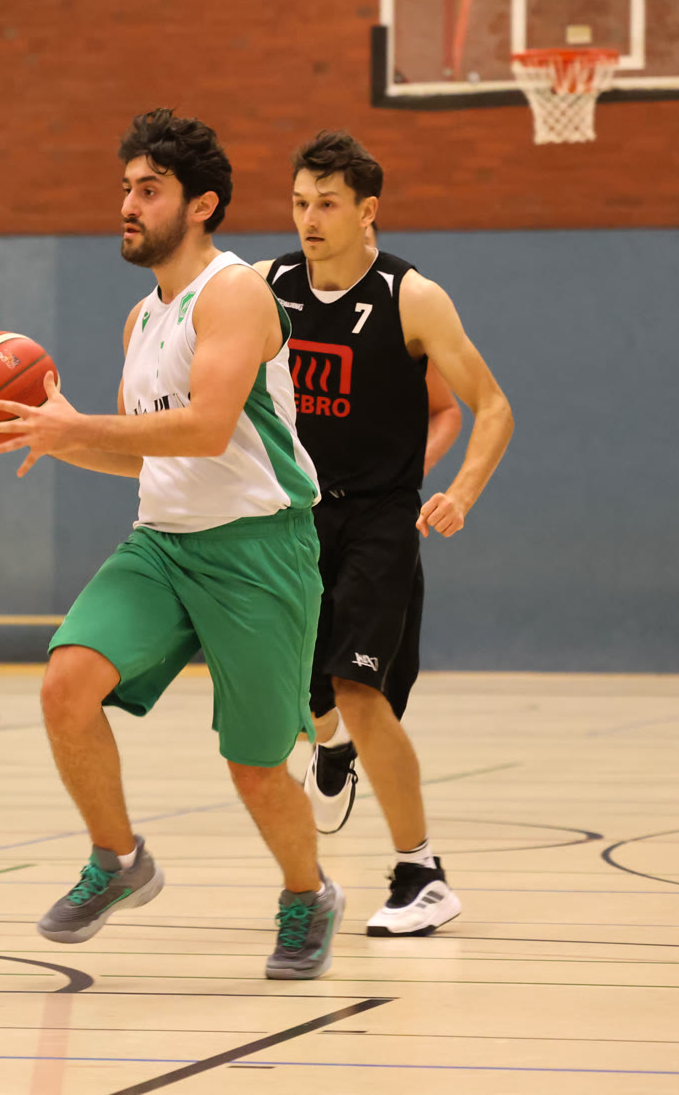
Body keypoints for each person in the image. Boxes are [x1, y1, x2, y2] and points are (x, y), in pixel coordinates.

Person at [0, 109, 340, 980]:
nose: (128, 205)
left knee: (255, 768)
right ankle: (117, 859)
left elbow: (208, 429)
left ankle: (308, 895)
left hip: (258, 549)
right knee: (67, 684)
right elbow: (146, 452)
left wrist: (77, 425)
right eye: (126, 189)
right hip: (162, 545)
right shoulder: (141, 319)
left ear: (202, 203)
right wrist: (56, 438)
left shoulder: (234, 293)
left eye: (149, 190)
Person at [259, 130, 515, 936]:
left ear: (368, 211)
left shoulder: (413, 298)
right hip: (293, 519)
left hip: (379, 519)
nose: (309, 219)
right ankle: (330, 752)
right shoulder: (265, 286)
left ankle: (422, 873)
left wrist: (460, 493)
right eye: (300, 203)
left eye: (327, 204)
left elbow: (492, 407)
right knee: (305, 703)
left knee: (360, 692)